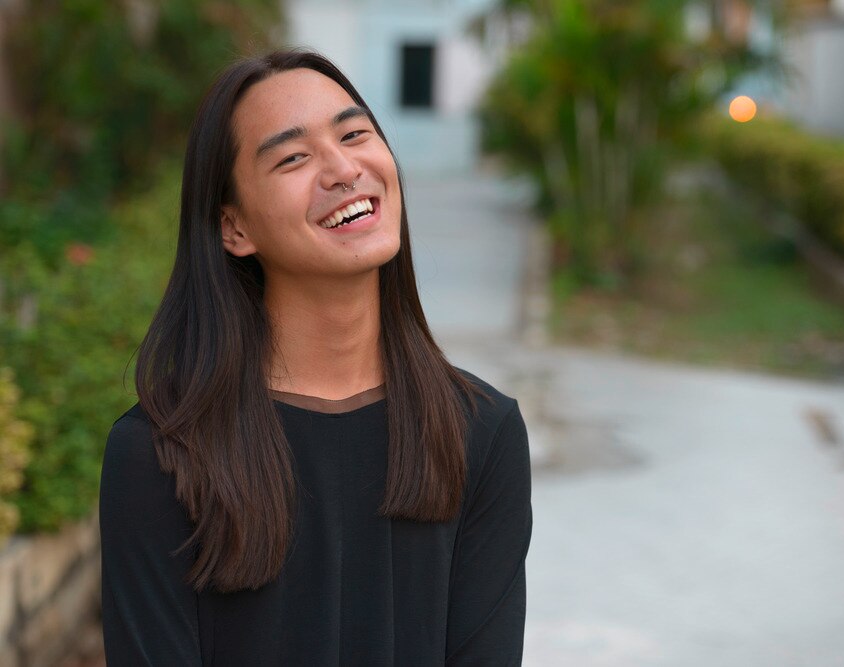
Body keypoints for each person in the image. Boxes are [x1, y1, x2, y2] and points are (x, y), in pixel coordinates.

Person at [99, 49, 533, 666]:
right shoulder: (159, 454)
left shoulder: (481, 431)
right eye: (293, 157)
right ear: (234, 228)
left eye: (355, 134)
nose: (342, 169)